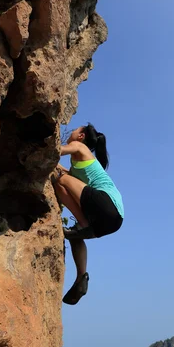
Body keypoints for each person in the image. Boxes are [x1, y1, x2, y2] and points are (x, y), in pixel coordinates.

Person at [53, 123, 124, 305]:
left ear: (81, 136)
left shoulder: (80, 147)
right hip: (113, 220)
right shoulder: (80, 165)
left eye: (75, 130)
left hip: (106, 203)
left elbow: (56, 151)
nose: (71, 132)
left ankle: (83, 223)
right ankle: (80, 278)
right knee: (75, 236)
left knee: (61, 181)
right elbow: (64, 171)